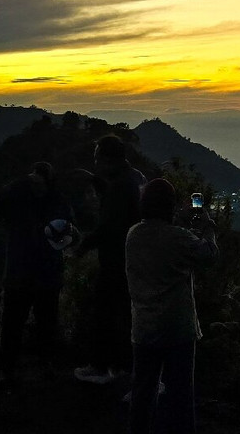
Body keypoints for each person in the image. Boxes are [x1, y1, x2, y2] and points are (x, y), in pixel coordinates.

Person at [126, 178, 218, 434]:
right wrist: (208, 227)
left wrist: (179, 220)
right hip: (177, 328)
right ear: (170, 205)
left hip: (144, 326)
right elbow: (209, 255)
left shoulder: (133, 234)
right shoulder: (178, 238)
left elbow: (161, 238)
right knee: (180, 394)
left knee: (143, 390)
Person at [0, 161, 77, 390]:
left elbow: (69, 227)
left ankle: (41, 364)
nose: (38, 186)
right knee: (15, 323)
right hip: (24, 273)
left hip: (39, 273)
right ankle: (9, 368)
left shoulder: (56, 202)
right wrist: (21, 183)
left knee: (42, 323)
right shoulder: (19, 201)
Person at [73, 135, 148, 383]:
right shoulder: (137, 177)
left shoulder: (120, 186)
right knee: (126, 314)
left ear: (108, 159)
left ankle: (100, 367)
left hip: (116, 259)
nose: (95, 163)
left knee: (104, 313)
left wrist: (82, 246)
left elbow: (109, 227)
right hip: (135, 258)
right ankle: (126, 365)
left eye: (97, 158)